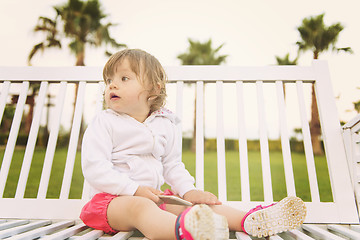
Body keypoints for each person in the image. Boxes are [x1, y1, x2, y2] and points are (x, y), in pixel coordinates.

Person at [80, 49, 307, 240]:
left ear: (154, 89)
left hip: (155, 198)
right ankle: (187, 230)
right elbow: (95, 168)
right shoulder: (105, 122)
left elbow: (172, 165)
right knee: (140, 208)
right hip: (112, 203)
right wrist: (134, 190)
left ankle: (249, 220)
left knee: (190, 205)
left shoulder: (164, 123)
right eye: (109, 80)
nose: (112, 86)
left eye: (124, 78)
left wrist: (189, 190)